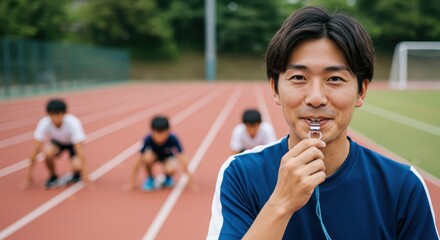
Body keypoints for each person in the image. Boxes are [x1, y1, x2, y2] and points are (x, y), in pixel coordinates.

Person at [207, 6, 439, 239]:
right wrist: (280, 205)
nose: (316, 98)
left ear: (361, 91)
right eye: (298, 78)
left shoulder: (402, 186)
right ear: (275, 89)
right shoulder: (240, 175)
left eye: (335, 79)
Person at [23, 98, 89, 189]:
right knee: (47, 152)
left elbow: (80, 150)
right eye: (53, 115)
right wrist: (28, 176)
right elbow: (36, 150)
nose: (56, 118)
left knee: (77, 164)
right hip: (58, 142)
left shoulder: (73, 123)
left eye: (59, 114)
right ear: (48, 114)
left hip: (73, 144)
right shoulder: (44, 123)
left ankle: (77, 174)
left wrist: (86, 177)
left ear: (64, 114)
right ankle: (53, 176)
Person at [130, 115, 192, 192]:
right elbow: (138, 160)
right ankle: (151, 178)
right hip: (154, 156)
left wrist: (190, 181)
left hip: (167, 158)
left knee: (171, 168)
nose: (160, 136)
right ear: (152, 131)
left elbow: (182, 158)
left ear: (168, 131)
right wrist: (132, 182)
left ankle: (167, 177)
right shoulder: (148, 139)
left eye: (162, 133)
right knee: (146, 157)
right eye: (157, 133)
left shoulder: (173, 139)